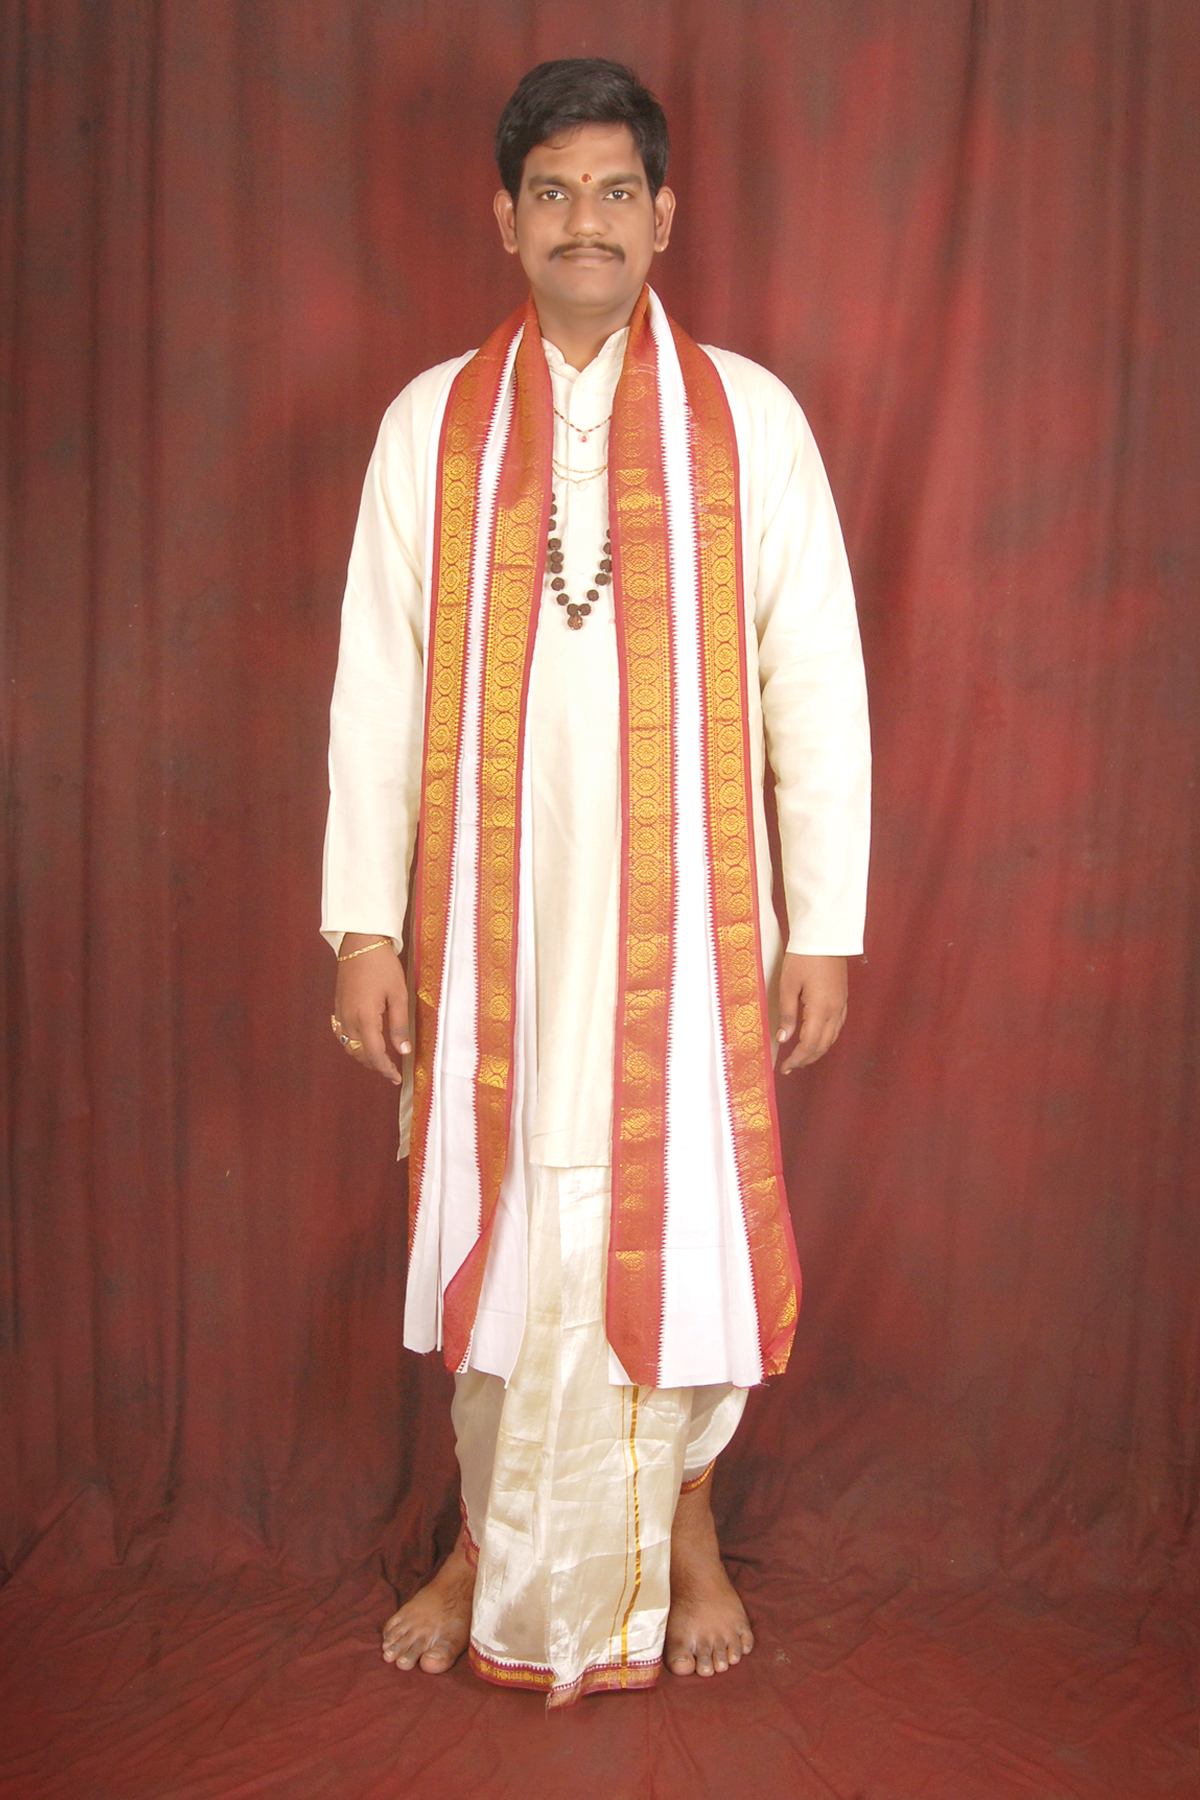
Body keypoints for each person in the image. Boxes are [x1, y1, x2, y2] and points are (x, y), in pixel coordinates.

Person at [322, 58, 870, 1707]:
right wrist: (363, 925)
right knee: (504, 1216)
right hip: (491, 933)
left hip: (690, 933)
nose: (586, 221)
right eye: (552, 192)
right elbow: (376, 684)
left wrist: (825, 923)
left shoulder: (751, 421)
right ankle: (486, 1540)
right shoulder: (430, 425)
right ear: (504, 219)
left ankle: (685, 1523)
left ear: (664, 217)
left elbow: (815, 683)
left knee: (674, 1219)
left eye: (616, 191)